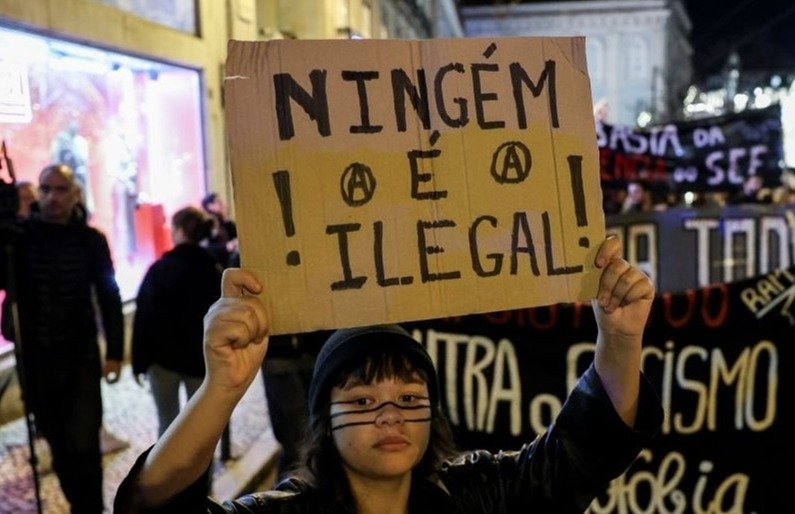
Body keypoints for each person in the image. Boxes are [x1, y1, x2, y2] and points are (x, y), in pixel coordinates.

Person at [115, 236, 662, 513]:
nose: (389, 415)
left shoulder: (476, 495)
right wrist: (222, 388)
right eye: (361, 399)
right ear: (324, 418)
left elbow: (583, 451)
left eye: (408, 395)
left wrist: (619, 339)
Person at [1, 164, 124, 514]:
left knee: (84, 444)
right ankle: (80, 505)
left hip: (80, 360)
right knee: (59, 446)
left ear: (75, 194)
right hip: (37, 363)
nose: (52, 197)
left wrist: (114, 351)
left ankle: (91, 508)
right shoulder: (21, 239)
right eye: (46, 189)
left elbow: (109, 297)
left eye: (60, 189)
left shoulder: (91, 240)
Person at [131, 206, 222, 436]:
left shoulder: (159, 270)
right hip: (201, 362)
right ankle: (201, 472)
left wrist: (139, 361)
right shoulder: (213, 271)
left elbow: (143, 318)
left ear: (179, 231)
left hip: (163, 362)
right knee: (200, 429)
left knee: (168, 426)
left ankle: (169, 471)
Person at [201, 192, 238, 268]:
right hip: (215, 263)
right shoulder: (207, 224)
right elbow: (205, 247)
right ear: (210, 206)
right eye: (218, 202)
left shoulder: (227, 223)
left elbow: (235, 237)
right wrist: (225, 247)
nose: (222, 204)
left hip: (228, 260)